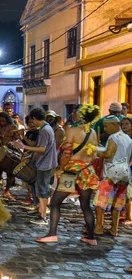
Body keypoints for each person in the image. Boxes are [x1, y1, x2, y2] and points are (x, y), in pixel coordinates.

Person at [34, 104, 100, 245]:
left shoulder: (72, 130)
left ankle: (52, 234)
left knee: (55, 202)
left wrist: (60, 169)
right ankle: (91, 237)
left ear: (79, 115)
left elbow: (66, 154)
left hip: (71, 171)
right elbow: (94, 154)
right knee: (86, 205)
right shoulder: (93, 132)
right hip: (88, 170)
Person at [12, 108, 57, 225]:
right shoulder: (46, 128)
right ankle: (40, 211)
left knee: (42, 190)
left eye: (32, 120)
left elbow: (42, 149)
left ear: (34, 119)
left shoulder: (44, 130)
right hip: (45, 162)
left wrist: (23, 147)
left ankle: (43, 216)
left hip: (45, 164)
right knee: (41, 189)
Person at [95, 116, 132, 237]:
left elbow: (108, 154)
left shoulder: (114, 137)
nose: (105, 129)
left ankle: (99, 228)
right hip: (125, 173)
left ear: (115, 125)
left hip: (111, 173)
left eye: (106, 126)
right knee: (117, 203)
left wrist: (95, 152)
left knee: (100, 202)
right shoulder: (127, 138)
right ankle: (114, 229)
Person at [0, 111, 20, 200]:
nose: (2, 123)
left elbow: (17, 140)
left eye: (3, 121)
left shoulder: (13, 128)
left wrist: (12, 144)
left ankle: (6, 191)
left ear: (7, 120)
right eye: (0, 121)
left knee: (10, 175)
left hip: (10, 153)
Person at [120, 116, 132, 225]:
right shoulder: (122, 137)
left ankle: (129, 216)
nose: (124, 126)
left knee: (128, 193)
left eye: (127, 124)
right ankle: (123, 213)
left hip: (128, 167)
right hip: (122, 166)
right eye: (123, 124)